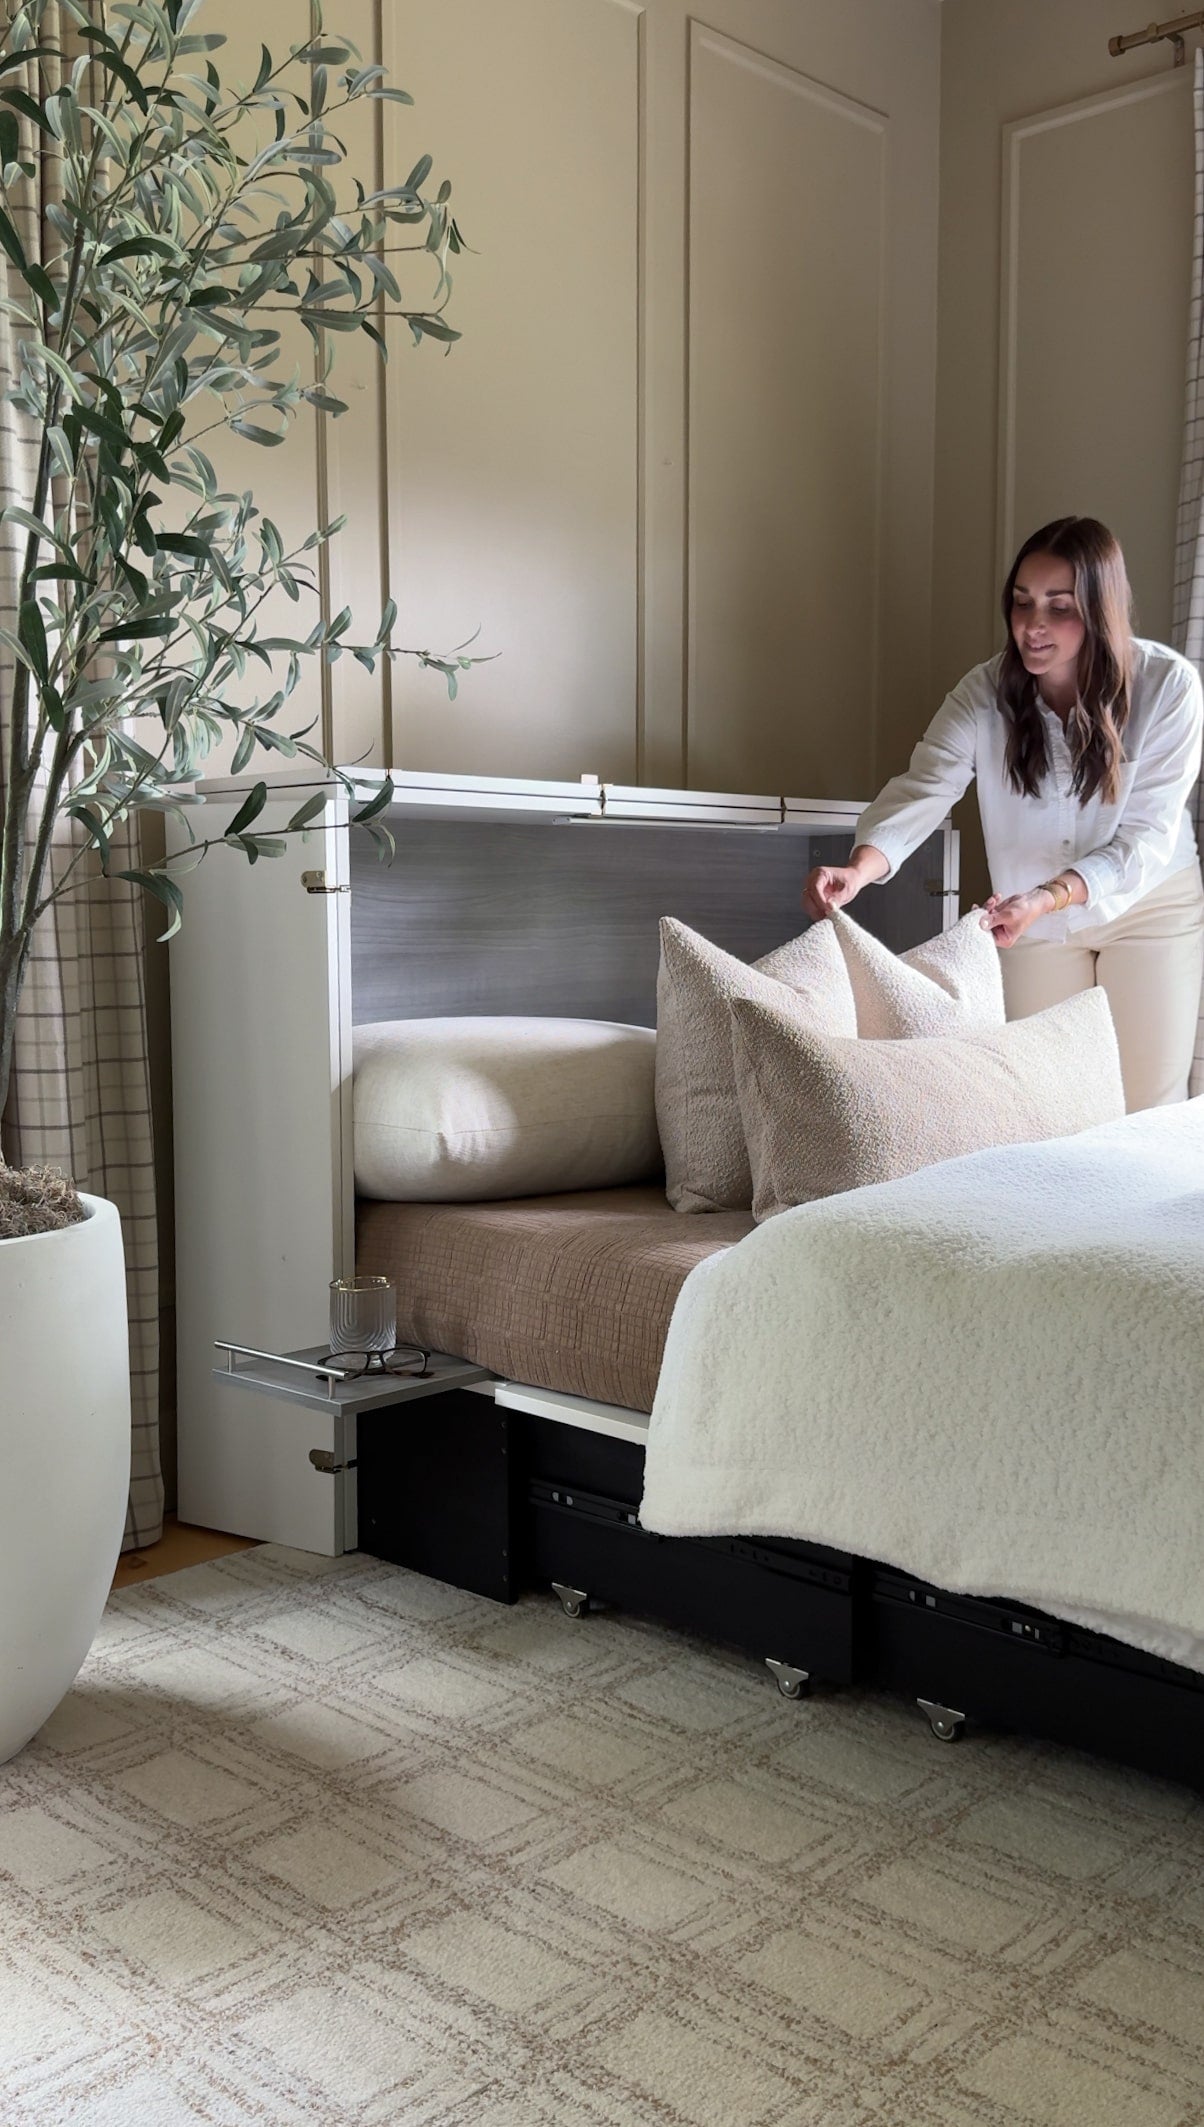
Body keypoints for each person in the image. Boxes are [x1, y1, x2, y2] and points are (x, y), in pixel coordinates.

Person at [803, 516, 1204, 1110]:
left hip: (1149, 909)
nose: (1033, 626)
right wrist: (860, 870)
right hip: (1031, 920)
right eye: (1021, 603)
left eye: (1058, 607)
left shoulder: (1168, 687)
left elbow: (1144, 838)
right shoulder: (982, 693)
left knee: (1148, 1105)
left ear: (1099, 609)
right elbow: (924, 788)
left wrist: (1049, 894)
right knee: (1047, 1103)